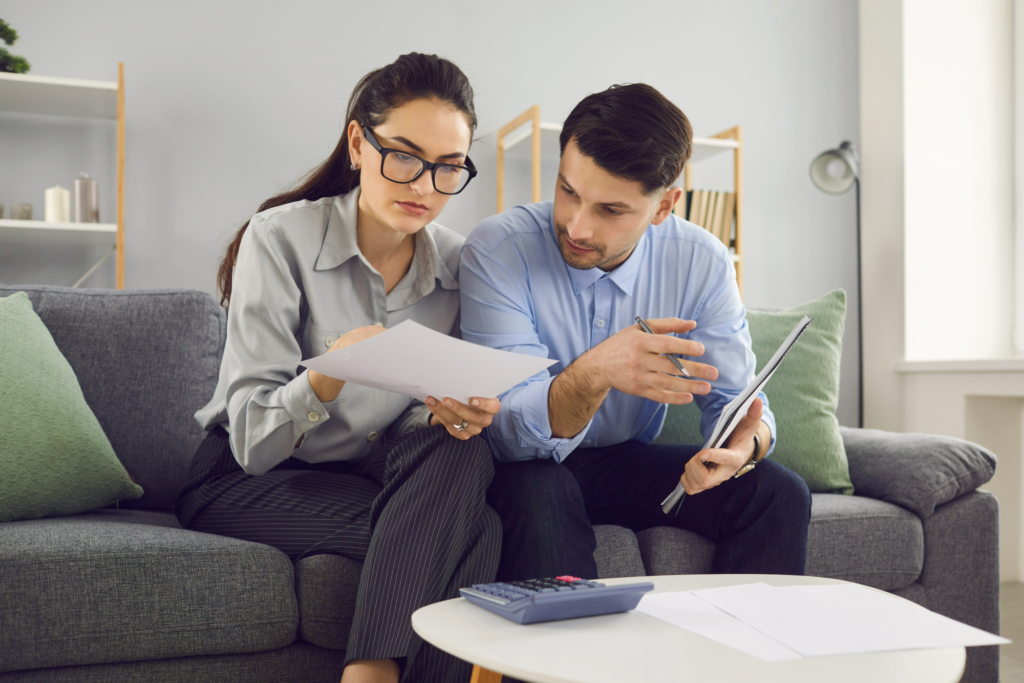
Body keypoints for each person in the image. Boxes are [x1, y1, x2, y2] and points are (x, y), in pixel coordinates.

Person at [174, 53, 503, 683]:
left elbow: (417, 428)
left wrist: (452, 411)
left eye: (448, 168)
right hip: (242, 479)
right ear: (359, 142)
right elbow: (251, 443)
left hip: (361, 480)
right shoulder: (279, 238)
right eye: (404, 156)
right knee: (475, 534)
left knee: (465, 456)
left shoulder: (460, 266)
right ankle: (370, 673)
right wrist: (328, 374)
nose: (424, 186)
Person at [459, 83, 811, 583]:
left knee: (777, 493)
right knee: (542, 492)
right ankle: (560, 662)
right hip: (527, 464)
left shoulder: (701, 261)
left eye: (610, 210)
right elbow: (512, 433)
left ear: (664, 206)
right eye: (568, 192)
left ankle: (744, 658)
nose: (577, 227)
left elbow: (738, 402)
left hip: (624, 462)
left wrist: (740, 449)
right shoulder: (498, 250)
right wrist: (597, 371)